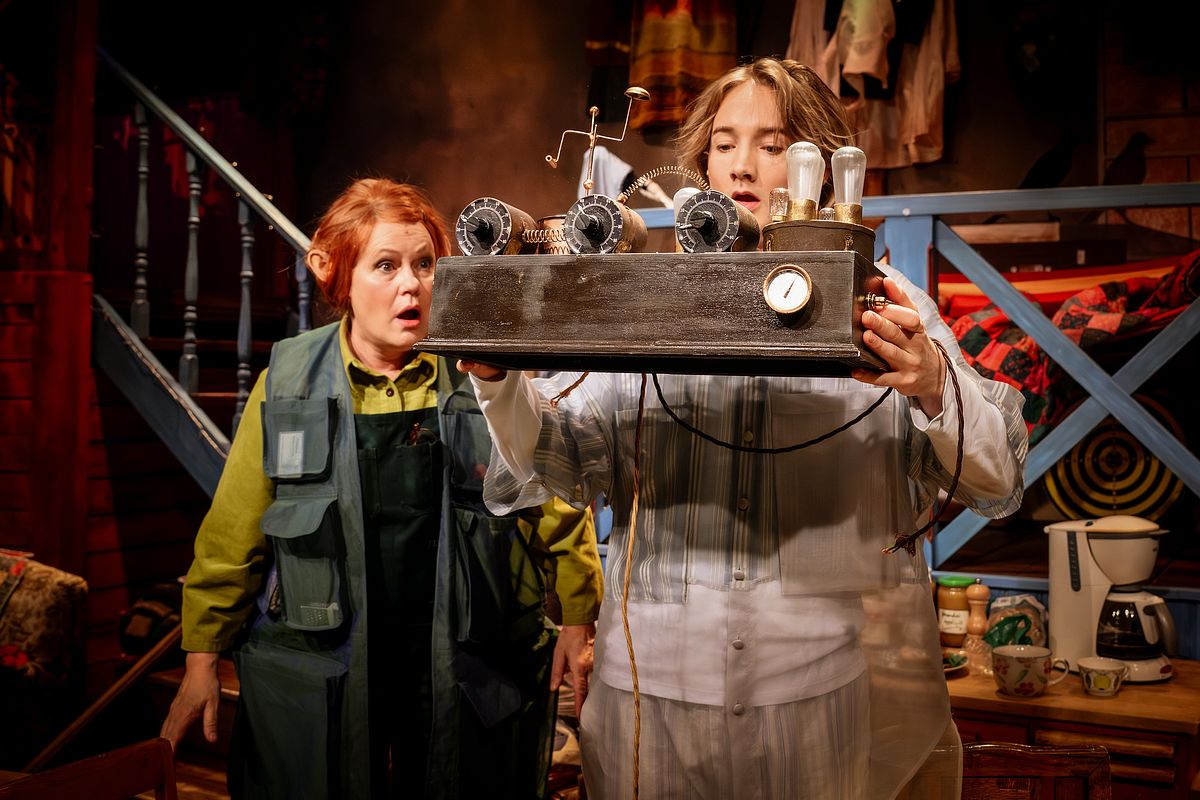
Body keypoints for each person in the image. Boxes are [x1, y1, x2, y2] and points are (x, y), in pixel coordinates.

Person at [460, 58, 1028, 799]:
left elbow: (994, 475)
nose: (742, 165)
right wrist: (497, 381)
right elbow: (559, 451)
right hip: (650, 693)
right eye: (724, 144)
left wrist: (929, 383)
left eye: (773, 143)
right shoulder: (646, 301)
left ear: (822, 165)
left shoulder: (882, 302)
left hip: (812, 692)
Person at [159, 178, 603, 799]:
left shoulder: (480, 371)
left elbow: (551, 499)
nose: (411, 285)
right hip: (334, 654)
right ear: (340, 276)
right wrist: (202, 658)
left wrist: (579, 618)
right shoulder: (288, 383)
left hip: (461, 653)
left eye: (425, 264)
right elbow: (233, 534)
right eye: (386, 265)